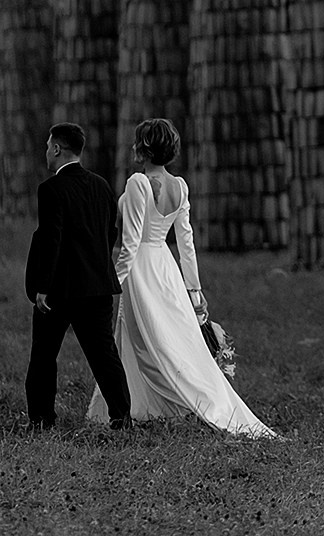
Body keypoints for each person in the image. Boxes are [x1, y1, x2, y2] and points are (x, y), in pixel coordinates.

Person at [95, 117, 275, 437]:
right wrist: (193, 288)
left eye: (138, 142)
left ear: (145, 148)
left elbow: (132, 242)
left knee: (145, 339)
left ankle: (180, 402)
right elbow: (186, 242)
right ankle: (146, 403)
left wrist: (113, 281)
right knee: (170, 335)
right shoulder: (180, 186)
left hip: (141, 269)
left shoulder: (138, 183)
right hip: (167, 266)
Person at [25, 123, 132, 429]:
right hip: (97, 286)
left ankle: (42, 419)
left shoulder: (51, 189)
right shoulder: (101, 186)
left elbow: (51, 239)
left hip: (59, 289)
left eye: (48, 146)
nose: (46, 151)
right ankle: (121, 416)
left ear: (57, 149)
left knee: (44, 356)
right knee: (104, 355)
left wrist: (42, 287)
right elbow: (109, 233)